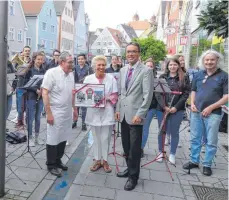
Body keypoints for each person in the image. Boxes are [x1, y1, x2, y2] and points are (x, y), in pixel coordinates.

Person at [183, 50, 228, 176]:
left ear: (217, 60)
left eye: (212, 59)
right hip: (196, 112)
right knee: (195, 138)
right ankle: (194, 160)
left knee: (211, 140)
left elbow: (226, 96)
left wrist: (211, 108)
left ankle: (207, 164)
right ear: (203, 61)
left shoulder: (224, 76)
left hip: (214, 113)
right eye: (206, 60)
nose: (209, 62)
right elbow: (193, 91)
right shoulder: (198, 74)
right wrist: (192, 103)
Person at [115, 42, 153, 191]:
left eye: (134, 51)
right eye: (128, 51)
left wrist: (141, 114)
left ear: (139, 53)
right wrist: (118, 109)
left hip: (136, 115)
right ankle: (129, 169)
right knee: (125, 146)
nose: (130, 54)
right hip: (124, 114)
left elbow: (147, 95)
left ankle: (133, 177)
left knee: (134, 149)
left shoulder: (146, 71)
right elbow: (121, 93)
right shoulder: (123, 70)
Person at [42, 51, 78, 177]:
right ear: (62, 62)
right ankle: (51, 164)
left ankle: (58, 160)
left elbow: (72, 93)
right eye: (69, 62)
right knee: (53, 137)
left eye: (72, 62)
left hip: (67, 110)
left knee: (63, 136)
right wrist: (49, 113)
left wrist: (75, 109)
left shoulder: (71, 74)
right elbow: (44, 93)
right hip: (55, 111)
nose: (72, 64)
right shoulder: (51, 73)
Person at [83, 55, 118, 173]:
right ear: (94, 66)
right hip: (93, 112)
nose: (101, 67)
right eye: (99, 65)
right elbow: (84, 95)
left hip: (107, 111)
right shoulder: (88, 79)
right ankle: (97, 160)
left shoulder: (111, 78)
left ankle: (105, 160)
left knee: (106, 137)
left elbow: (115, 95)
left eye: (103, 65)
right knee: (96, 137)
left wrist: (107, 98)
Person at [156, 58, 190, 164]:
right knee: (161, 131)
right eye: (170, 65)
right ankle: (161, 152)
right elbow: (157, 93)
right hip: (162, 109)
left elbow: (186, 94)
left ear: (178, 65)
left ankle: (172, 154)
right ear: (167, 66)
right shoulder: (162, 77)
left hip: (177, 110)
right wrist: (164, 106)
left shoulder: (184, 78)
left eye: (175, 64)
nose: (172, 67)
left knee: (174, 132)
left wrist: (176, 107)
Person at [141, 58, 162, 158]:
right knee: (142, 129)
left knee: (155, 129)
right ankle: (139, 148)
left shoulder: (157, 80)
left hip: (155, 107)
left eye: (151, 66)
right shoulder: (142, 77)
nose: (149, 68)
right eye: (147, 66)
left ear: (153, 68)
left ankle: (159, 151)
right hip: (144, 107)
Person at [23, 52, 46, 147]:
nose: (40, 61)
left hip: (40, 97)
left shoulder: (43, 70)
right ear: (34, 59)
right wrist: (35, 90)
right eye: (38, 59)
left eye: (41, 59)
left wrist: (43, 89)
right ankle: (30, 137)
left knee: (38, 118)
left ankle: (37, 137)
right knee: (30, 118)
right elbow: (25, 84)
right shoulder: (29, 70)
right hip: (31, 96)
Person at [72, 53, 94, 130]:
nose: (80, 60)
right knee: (76, 107)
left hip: (85, 89)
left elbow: (91, 79)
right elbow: (74, 78)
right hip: (77, 89)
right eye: (79, 59)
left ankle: (84, 123)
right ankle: (75, 121)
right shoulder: (75, 67)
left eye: (82, 59)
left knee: (84, 108)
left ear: (85, 59)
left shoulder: (88, 68)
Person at [12, 46, 31, 127]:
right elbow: (15, 75)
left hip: (28, 86)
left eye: (28, 51)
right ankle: (19, 122)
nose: (27, 52)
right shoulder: (18, 61)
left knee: (26, 106)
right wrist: (13, 86)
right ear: (23, 52)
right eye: (25, 51)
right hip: (19, 86)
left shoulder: (31, 62)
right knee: (19, 106)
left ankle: (25, 122)